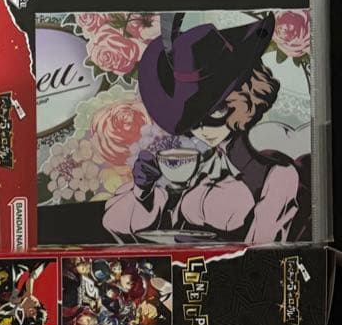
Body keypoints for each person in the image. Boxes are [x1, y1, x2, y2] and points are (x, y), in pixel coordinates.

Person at [104, 13, 304, 242]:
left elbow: (266, 248)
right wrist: (143, 191)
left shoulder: (275, 177)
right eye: (192, 118)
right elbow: (116, 226)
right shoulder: (191, 168)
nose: (201, 128)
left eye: (216, 110)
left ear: (247, 99)